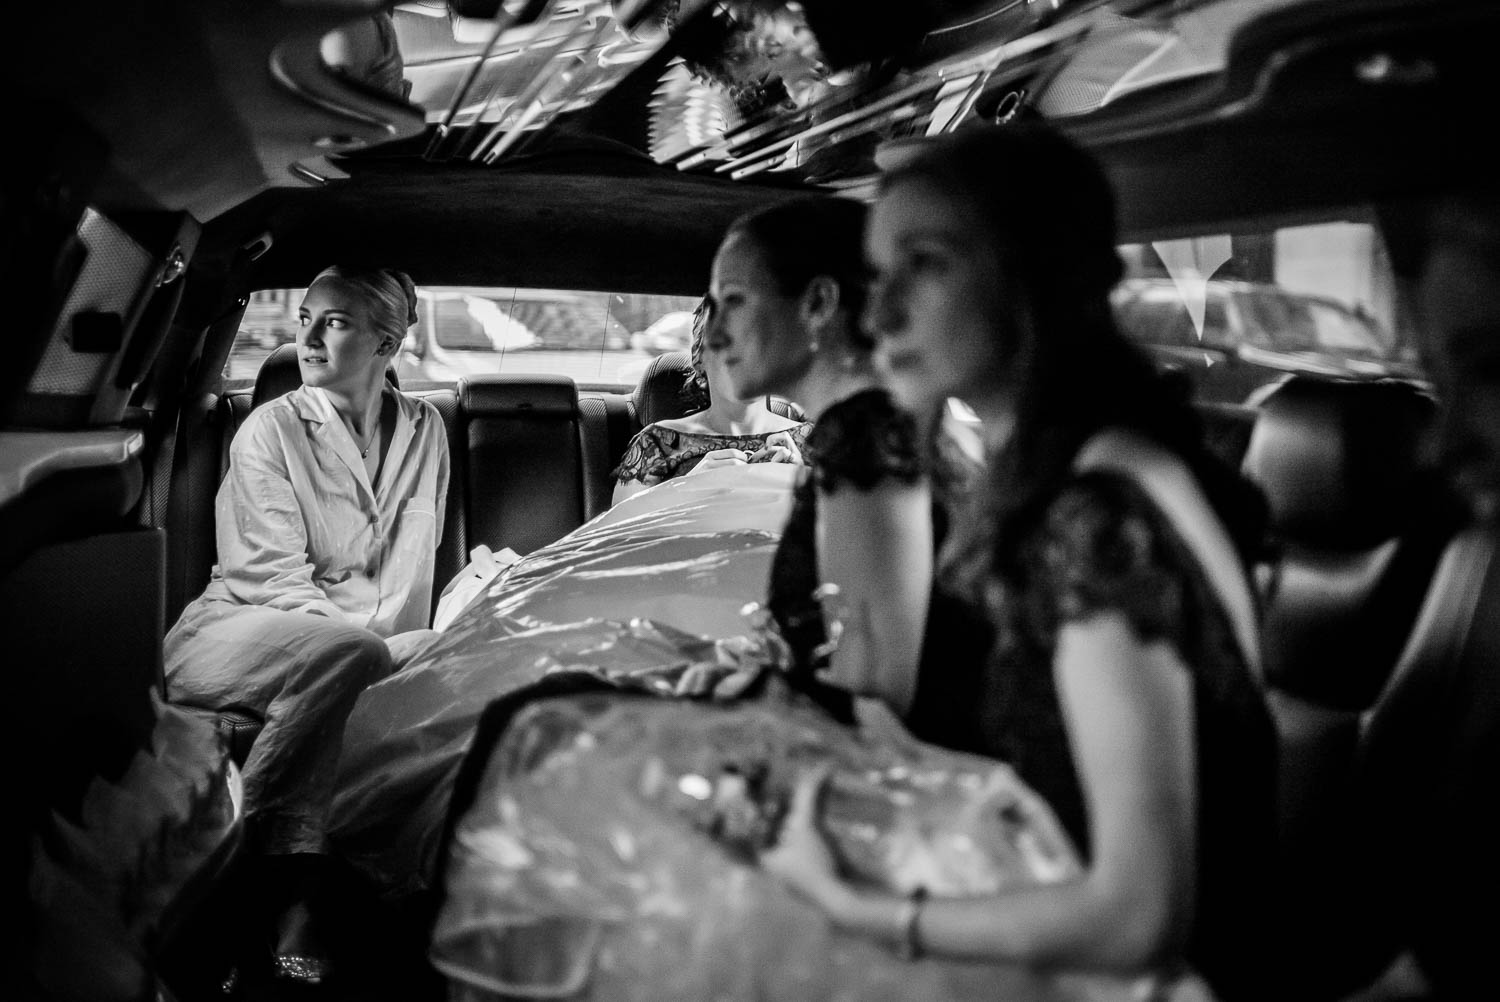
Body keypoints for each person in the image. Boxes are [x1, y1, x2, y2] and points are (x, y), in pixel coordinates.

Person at [758, 126, 1275, 997]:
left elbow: (1139, 916)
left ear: (1031, 272)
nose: (880, 317)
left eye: (925, 264)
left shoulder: (1095, 521)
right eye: (879, 277)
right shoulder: (1090, 464)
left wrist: (863, 909)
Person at [164, 265, 449, 983]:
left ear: (388, 341)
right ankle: (267, 885)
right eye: (305, 318)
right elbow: (272, 578)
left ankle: (414, 911)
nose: (310, 337)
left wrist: (408, 654)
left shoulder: (427, 430)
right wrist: (376, 657)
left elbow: (413, 578)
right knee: (353, 652)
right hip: (239, 631)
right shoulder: (271, 428)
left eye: (336, 322)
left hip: (355, 646)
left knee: (449, 652)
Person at [698, 195, 979, 715]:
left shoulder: (868, 439)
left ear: (819, 304)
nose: (714, 336)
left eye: (734, 301)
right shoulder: (888, 421)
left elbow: (873, 700)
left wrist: (751, 696)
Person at [610, 297, 811, 506]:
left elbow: (843, 529)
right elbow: (616, 529)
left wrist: (805, 485)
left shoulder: (818, 442)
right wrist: (685, 489)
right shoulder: (657, 443)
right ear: (700, 358)